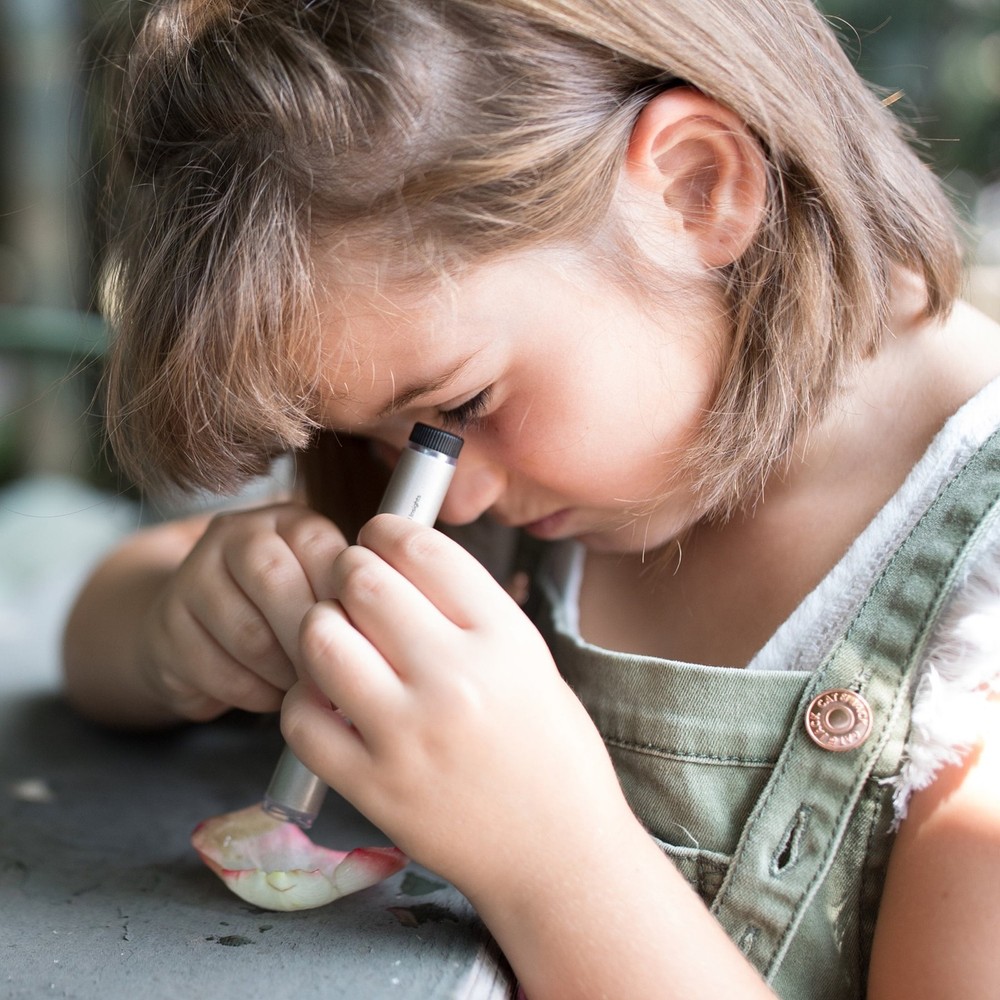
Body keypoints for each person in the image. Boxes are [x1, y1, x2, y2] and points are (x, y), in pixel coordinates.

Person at [64, 0, 1000, 996]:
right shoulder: (558, 461)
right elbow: (103, 622)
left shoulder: (972, 614)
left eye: (462, 402)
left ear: (694, 188)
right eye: (372, 435)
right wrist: (184, 627)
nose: (450, 499)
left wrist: (553, 861)